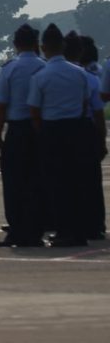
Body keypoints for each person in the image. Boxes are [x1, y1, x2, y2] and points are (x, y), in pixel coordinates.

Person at [27, 24, 92, 247]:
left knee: (57, 184)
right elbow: (85, 103)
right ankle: (79, 231)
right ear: (63, 46)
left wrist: (42, 132)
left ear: (43, 47)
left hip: (51, 131)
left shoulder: (41, 76)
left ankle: (64, 231)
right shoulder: (80, 73)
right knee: (77, 183)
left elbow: (34, 110)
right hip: (75, 129)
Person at [0, 24, 46, 247]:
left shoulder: (10, 69)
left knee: (14, 183)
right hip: (39, 129)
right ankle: (35, 232)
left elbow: (0, 105)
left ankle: (16, 231)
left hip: (17, 130)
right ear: (36, 43)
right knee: (37, 182)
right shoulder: (43, 67)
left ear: (15, 44)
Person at [79, 36, 106, 239]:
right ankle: (96, 224)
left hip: (81, 126)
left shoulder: (84, 75)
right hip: (91, 128)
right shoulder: (95, 71)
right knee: (93, 181)